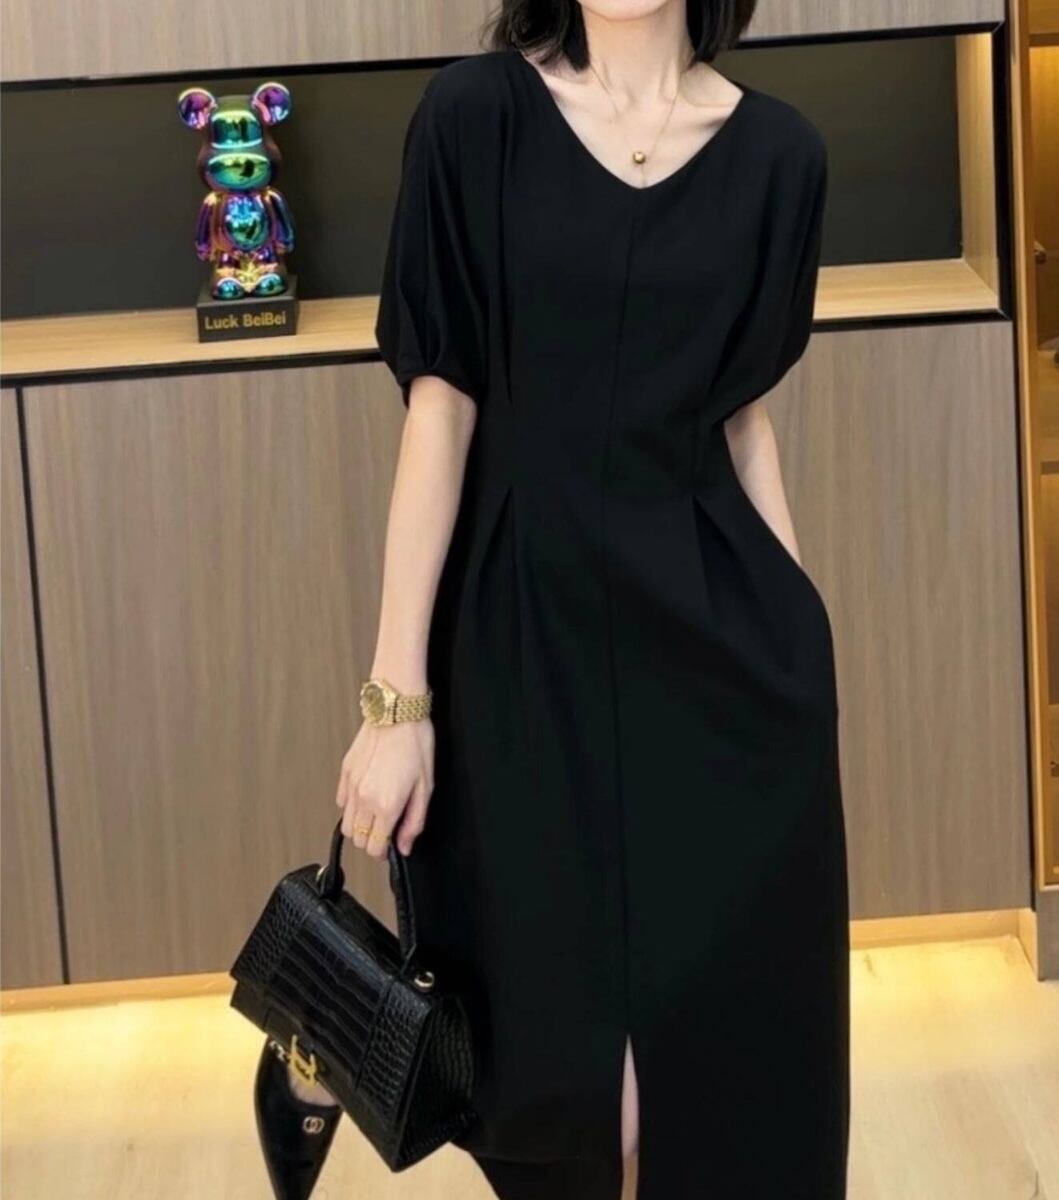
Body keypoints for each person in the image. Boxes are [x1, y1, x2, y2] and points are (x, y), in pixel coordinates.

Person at [253, 2, 848, 1198]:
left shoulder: (781, 155)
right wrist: (395, 699)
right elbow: (441, 409)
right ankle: (319, 1053)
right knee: (565, 1087)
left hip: (720, 653)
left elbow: (742, 419)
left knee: (721, 1074)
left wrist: (799, 658)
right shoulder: (475, 118)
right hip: (517, 643)